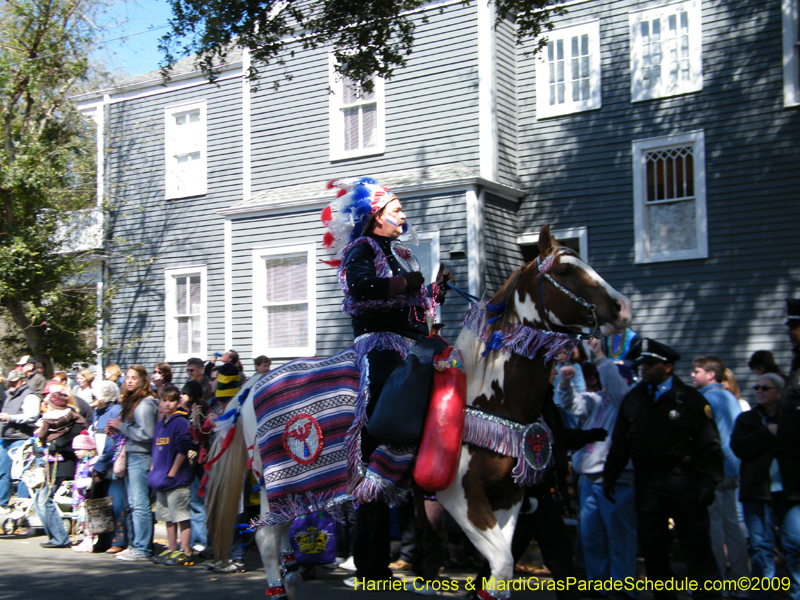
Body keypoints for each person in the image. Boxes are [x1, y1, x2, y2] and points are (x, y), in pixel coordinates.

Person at [320, 176, 452, 587]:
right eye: (396, 210)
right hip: (377, 346)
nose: (404, 215)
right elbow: (358, 289)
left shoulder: (402, 253)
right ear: (375, 216)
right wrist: (407, 284)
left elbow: (414, 309)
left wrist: (433, 292)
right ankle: (371, 564)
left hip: (408, 346)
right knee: (380, 419)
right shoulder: (361, 249)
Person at [603, 338, 724, 600]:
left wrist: (708, 483)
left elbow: (710, 445)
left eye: (650, 363)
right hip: (648, 485)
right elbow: (621, 442)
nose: (643, 368)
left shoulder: (689, 400)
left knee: (696, 548)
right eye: (641, 363)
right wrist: (610, 476)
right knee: (654, 549)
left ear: (667, 367)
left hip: (683, 482)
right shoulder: (634, 399)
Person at [557, 338, 637, 597]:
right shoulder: (597, 399)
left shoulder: (626, 401)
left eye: (607, 378)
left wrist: (600, 356)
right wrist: (566, 382)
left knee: (619, 537)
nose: (601, 382)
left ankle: (623, 587)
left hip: (615, 479)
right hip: (589, 479)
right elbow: (572, 404)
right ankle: (598, 583)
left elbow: (616, 387)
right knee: (592, 535)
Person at [731, 373, 800, 600]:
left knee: (795, 544)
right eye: (757, 387)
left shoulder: (792, 418)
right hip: (757, 493)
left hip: (790, 493)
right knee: (761, 547)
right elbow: (740, 447)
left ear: (779, 394)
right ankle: (763, 594)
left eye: (765, 388)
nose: (759, 390)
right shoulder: (747, 419)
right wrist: (766, 432)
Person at [691, 356, 749, 591]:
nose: (693, 375)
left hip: (714, 472)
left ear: (711, 374)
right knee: (733, 526)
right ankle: (741, 583)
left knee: (713, 527)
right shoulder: (730, 397)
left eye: (697, 371)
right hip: (734, 469)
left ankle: (716, 583)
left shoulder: (705, 398)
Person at [106, 365, 158, 561]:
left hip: (140, 457)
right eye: (127, 377)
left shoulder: (145, 404)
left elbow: (147, 434)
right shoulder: (132, 403)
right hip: (130, 455)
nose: (129, 381)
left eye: (134, 378)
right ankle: (133, 544)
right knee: (130, 504)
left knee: (139, 504)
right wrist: (117, 429)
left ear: (143, 380)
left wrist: (122, 426)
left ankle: (143, 548)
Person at [149, 386, 194, 566]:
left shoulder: (180, 421)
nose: (167, 404)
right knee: (167, 516)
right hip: (161, 478)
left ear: (177, 402)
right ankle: (172, 548)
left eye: (171, 400)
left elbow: (184, 447)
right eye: (164, 400)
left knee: (181, 515)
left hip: (176, 479)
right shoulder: (160, 423)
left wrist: (173, 471)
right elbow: (156, 449)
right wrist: (153, 468)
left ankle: (186, 551)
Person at [34, 386, 83, 548]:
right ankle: (54, 536)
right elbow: (41, 434)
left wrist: (57, 443)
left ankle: (60, 538)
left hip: (62, 462)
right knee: (39, 499)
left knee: (44, 499)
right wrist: (38, 445)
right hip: (50, 460)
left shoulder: (72, 420)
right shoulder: (52, 419)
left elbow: (72, 436)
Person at [89, 379, 129, 554]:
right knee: (99, 502)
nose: (93, 400)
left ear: (105, 396)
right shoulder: (97, 412)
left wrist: (100, 465)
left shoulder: (115, 411)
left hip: (111, 463)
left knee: (116, 503)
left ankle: (118, 539)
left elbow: (111, 443)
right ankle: (102, 538)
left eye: (95, 396)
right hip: (98, 461)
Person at [0, 369, 40, 510]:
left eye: (14, 382)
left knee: (23, 473)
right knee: (3, 472)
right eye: (9, 382)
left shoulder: (30, 396)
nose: (10, 385)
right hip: (6, 438)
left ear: (23, 381)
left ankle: (21, 505)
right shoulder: (9, 395)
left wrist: (10, 418)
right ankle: (2, 503)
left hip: (21, 439)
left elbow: (32, 416)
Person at [181, 380, 209, 555]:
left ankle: (201, 541)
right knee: (194, 502)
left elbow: (199, 436)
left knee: (199, 502)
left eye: (184, 394)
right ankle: (195, 539)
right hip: (193, 463)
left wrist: (194, 419)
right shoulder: (185, 412)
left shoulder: (200, 411)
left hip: (201, 462)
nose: (181, 397)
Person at [71, 430, 98, 553]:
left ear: (87, 448)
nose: (75, 452)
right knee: (82, 520)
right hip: (80, 496)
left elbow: (90, 479)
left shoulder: (92, 461)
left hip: (87, 496)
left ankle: (89, 541)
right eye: (75, 450)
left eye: (78, 449)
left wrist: (86, 479)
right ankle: (87, 540)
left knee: (86, 519)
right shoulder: (81, 462)